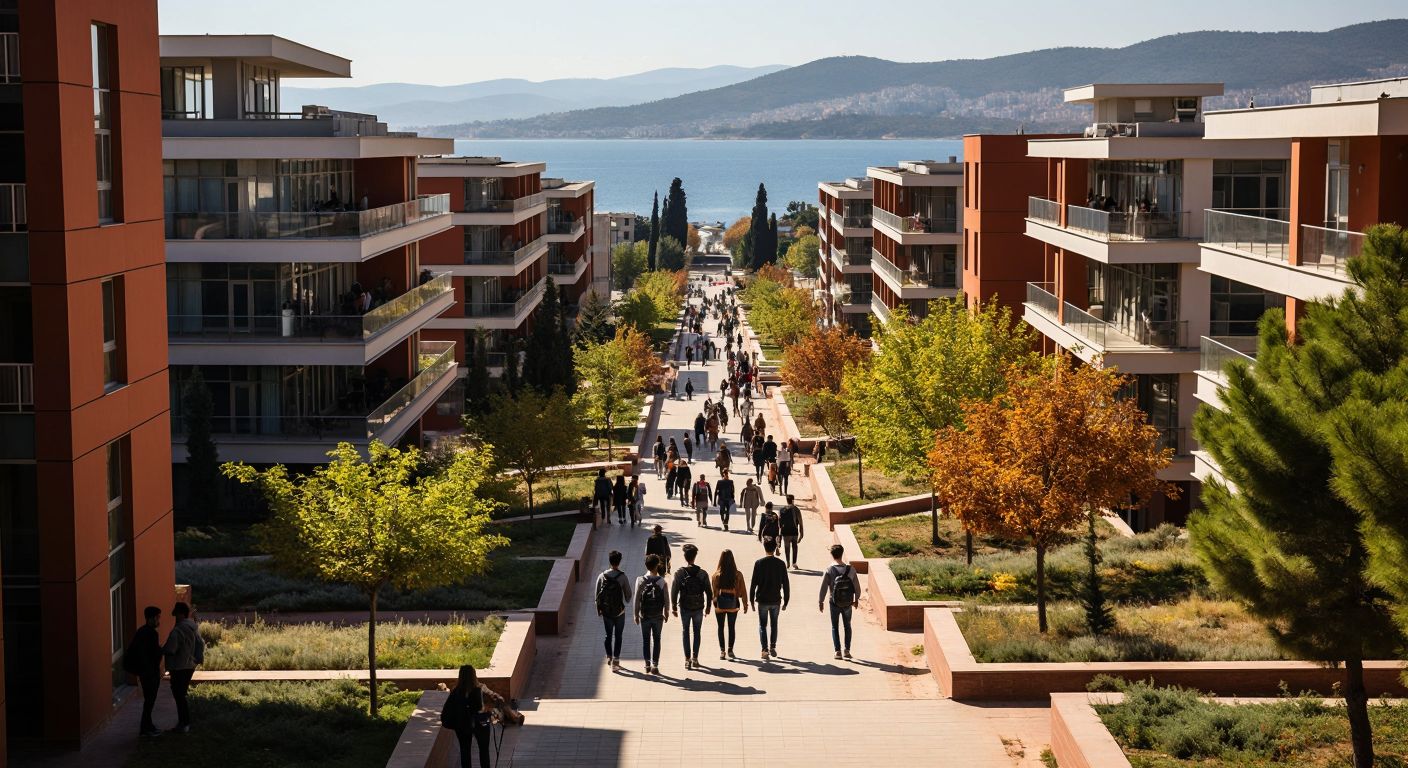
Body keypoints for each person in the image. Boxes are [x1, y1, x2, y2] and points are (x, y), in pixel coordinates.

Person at [442, 664, 508, 768]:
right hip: (481, 723)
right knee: (484, 750)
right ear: (474, 675)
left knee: (465, 751)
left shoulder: (456, 691)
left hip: (462, 725)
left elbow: (448, 709)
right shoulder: (481, 688)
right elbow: (497, 698)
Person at [162, 601, 204, 733]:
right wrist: (197, 659)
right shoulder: (193, 627)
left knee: (179, 695)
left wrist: (160, 650)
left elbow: (170, 649)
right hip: (189, 666)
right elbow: (200, 644)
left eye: (176, 613)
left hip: (178, 666)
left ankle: (183, 723)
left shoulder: (178, 629)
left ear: (180, 614)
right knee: (182, 694)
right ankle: (185, 723)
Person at [123, 605, 164, 737]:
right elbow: (149, 654)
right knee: (149, 701)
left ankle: (149, 726)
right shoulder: (151, 633)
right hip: (149, 673)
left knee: (149, 701)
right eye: (157, 618)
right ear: (151, 618)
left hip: (145, 672)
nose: (159, 621)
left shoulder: (141, 631)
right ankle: (145, 729)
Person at [671, 544, 712, 670]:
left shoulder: (679, 573)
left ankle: (687, 659)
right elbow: (709, 592)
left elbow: (674, 590)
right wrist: (708, 607)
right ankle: (695, 658)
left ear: (685, 557)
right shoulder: (702, 573)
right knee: (697, 632)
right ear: (695, 557)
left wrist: (674, 606)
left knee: (685, 632)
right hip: (699, 607)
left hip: (685, 607)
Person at [819, 544, 863, 659]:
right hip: (848, 602)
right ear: (842, 553)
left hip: (833, 602)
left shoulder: (829, 569)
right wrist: (856, 599)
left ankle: (837, 651)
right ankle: (847, 651)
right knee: (847, 626)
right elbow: (857, 587)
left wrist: (821, 601)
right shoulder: (851, 569)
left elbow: (823, 587)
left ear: (832, 555)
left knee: (835, 626)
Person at [749, 538, 790, 660]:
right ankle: (772, 646)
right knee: (774, 624)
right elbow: (786, 584)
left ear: (764, 547)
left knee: (762, 625)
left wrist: (751, 600)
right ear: (774, 548)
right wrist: (786, 601)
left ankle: (764, 649)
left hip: (762, 600)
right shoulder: (781, 564)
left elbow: (753, 583)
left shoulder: (759, 563)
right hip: (776, 600)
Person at [594, 550, 632, 671]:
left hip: (606, 612)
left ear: (609, 561)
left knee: (608, 635)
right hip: (619, 612)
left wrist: (599, 609)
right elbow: (628, 596)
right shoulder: (622, 577)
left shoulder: (602, 576)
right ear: (619, 562)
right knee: (618, 636)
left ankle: (609, 656)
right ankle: (616, 660)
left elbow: (597, 595)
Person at [635, 554, 670, 675]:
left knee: (646, 640)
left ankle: (647, 664)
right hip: (657, 615)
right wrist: (666, 612)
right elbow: (666, 598)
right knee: (657, 639)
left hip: (644, 615)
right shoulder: (661, 581)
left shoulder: (640, 580)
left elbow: (637, 598)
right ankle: (655, 665)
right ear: (657, 566)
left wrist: (635, 614)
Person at [711, 549, 749, 660]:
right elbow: (743, 590)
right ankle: (730, 650)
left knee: (720, 627)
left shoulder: (716, 575)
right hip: (733, 604)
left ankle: (722, 651)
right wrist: (745, 604)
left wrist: (714, 604)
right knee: (731, 627)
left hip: (720, 604)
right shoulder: (738, 574)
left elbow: (714, 592)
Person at [779, 494, 805, 569]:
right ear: (793, 500)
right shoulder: (796, 509)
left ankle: (787, 562)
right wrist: (801, 534)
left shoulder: (782, 510)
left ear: (787, 500)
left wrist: (780, 535)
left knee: (787, 548)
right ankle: (794, 563)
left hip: (785, 532)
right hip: (794, 532)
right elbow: (800, 522)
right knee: (795, 547)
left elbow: (779, 524)